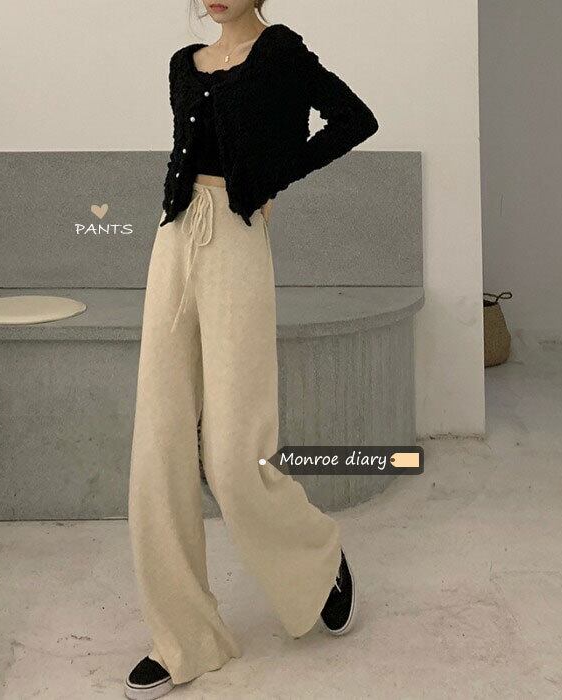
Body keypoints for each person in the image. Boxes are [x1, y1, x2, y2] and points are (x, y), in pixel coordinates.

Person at [126, 1, 379, 697]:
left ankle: (318, 559)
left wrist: (272, 178)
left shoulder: (281, 54)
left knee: (235, 457)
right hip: (172, 242)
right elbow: (189, 152)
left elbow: (354, 119)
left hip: (236, 244)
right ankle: (182, 636)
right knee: (158, 444)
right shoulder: (185, 65)